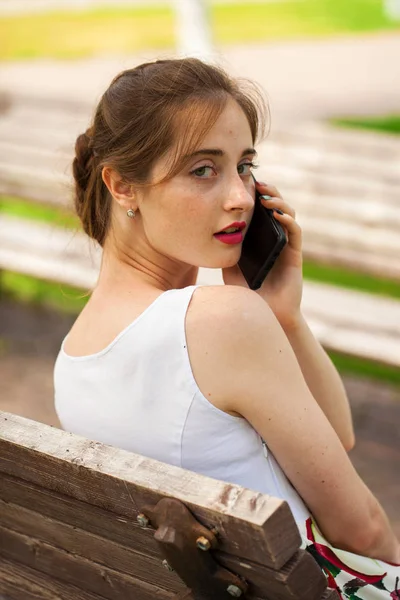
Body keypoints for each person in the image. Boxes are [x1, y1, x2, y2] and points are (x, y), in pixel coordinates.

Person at [54, 58, 400, 598]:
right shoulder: (220, 321)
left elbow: (337, 438)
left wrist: (284, 317)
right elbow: (367, 532)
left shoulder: (74, 359)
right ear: (122, 186)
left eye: (244, 165)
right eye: (203, 170)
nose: (240, 196)